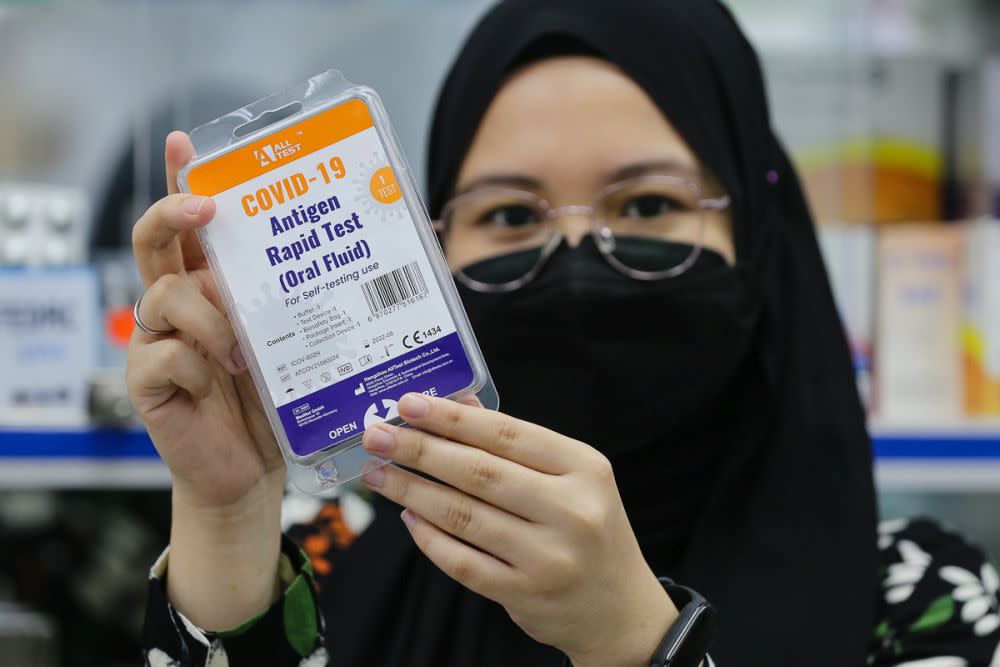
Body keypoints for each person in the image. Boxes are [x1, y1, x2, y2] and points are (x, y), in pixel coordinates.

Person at [129, 1, 1000, 665]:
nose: (577, 256)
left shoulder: (922, 595)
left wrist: (636, 639)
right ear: (433, 249)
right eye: (511, 213)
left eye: (650, 204)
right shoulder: (327, 554)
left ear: (761, 242)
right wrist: (230, 514)